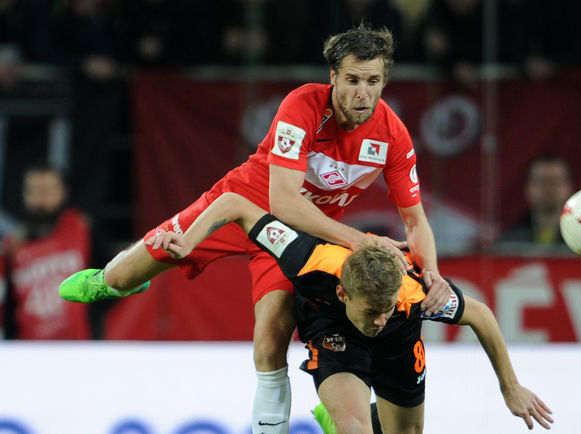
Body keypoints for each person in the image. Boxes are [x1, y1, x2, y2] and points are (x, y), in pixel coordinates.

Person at [58, 24, 450, 434]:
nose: (362, 93)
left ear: (384, 81)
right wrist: (363, 241)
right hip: (235, 207)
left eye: (372, 82)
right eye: (352, 80)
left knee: (270, 341)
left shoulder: (392, 135)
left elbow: (414, 220)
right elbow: (283, 202)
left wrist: (433, 273)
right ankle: (117, 280)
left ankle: (322, 412)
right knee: (121, 277)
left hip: (295, 234)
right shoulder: (303, 106)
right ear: (333, 76)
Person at [146, 191, 554, 433]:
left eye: (385, 308)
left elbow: (480, 315)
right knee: (353, 429)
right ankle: (339, 413)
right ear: (343, 291)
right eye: (373, 310)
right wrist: (188, 239)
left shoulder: (412, 294)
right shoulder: (307, 259)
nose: (379, 318)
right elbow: (234, 203)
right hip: (332, 331)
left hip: (399, 344)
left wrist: (510, 387)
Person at [1, 163, 91, 340]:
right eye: (34, 191)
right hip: (29, 350)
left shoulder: (81, 228)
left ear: (63, 193)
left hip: (81, 347)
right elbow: (8, 308)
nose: (41, 200)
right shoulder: (13, 246)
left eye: (48, 191)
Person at [496, 155, 573, 247]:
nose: (548, 188)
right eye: (541, 181)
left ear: (569, 187)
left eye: (555, 182)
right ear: (527, 187)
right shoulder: (508, 243)